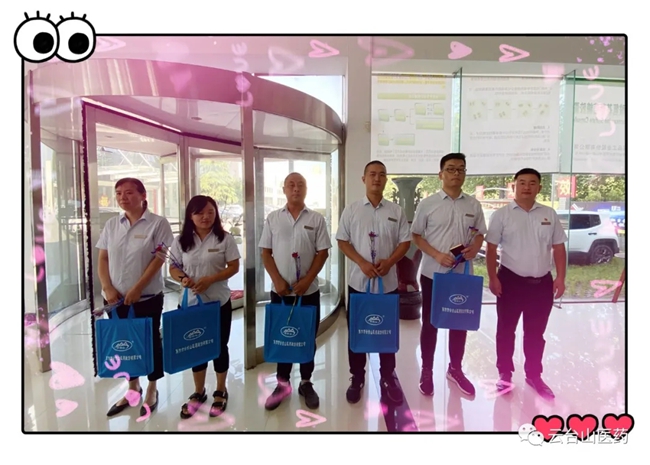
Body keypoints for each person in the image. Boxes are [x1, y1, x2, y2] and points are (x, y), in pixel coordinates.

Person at [485, 168, 567, 400]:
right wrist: (493, 277)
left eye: (532, 183)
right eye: (522, 182)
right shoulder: (501, 215)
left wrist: (561, 277)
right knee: (505, 331)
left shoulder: (549, 214)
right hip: (510, 282)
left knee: (535, 334)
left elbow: (558, 247)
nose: (527, 187)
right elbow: (491, 248)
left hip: (541, 284)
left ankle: (534, 375)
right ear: (514, 186)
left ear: (539, 188)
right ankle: (505, 373)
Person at [411, 153, 486, 397]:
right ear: (440, 174)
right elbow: (416, 235)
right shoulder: (428, 204)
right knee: (430, 324)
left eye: (461, 169)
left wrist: (475, 247)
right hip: (433, 274)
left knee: (459, 323)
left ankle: (455, 369)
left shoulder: (473, 205)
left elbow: (480, 234)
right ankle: (427, 370)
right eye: (451, 169)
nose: (456, 173)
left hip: (462, 274)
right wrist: (436, 254)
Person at [97, 177, 174, 417]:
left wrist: (138, 287)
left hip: (146, 297)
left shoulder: (158, 223)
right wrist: (107, 287)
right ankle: (132, 388)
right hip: (114, 299)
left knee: (150, 342)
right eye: (119, 193)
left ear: (143, 195)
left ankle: (152, 387)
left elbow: (159, 259)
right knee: (124, 343)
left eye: (129, 192)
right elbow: (103, 258)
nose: (123, 197)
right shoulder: (112, 224)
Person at [336, 160, 411, 405]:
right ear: (364, 179)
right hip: (359, 284)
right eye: (372, 174)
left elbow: (405, 242)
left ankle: (388, 377)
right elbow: (342, 241)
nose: (377, 178)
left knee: (386, 332)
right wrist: (361, 262)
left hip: (387, 285)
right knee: (358, 333)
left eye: (381, 175)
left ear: (386, 179)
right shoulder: (352, 210)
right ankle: (357, 377)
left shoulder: (396, 211)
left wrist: (390, 262)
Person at [259, 172, 331, 410]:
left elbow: (323, 252)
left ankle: (306, 382)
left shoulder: (316, 219)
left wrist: (308, 280)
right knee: (282, 337)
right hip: (280, 292)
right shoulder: (273, 218)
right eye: (291, 185)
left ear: (306, 189)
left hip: (308, 292)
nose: (296, 189)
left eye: (300, 185)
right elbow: (265, 252)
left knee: (307, 337)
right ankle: (282, 384)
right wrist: (277, 280)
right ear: (284, 189)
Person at [169, 195, 241, 418]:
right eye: (199, 213)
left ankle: (220, 390)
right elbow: (173, 267)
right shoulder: (181, 241)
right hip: (191, 304)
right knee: (196, 347)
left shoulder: (224, 238)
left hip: (218, 302)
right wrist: (183, 279)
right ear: (190, 216)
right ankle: (198, 392)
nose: (205, 217)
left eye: (210, 212)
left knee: (220, 347)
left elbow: (234, 266)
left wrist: (211, 279)